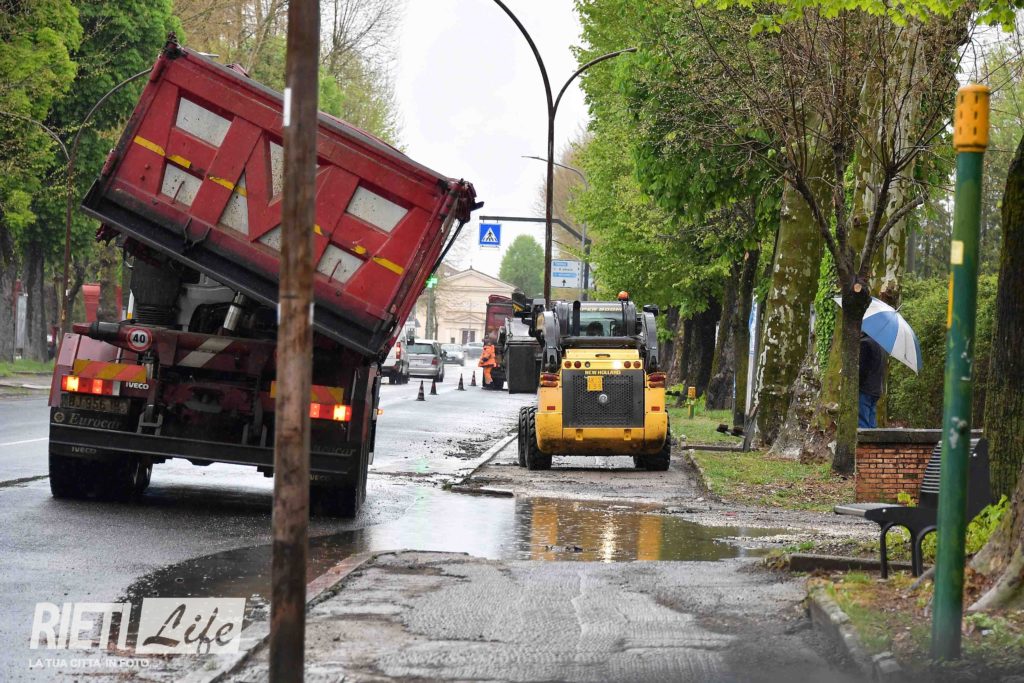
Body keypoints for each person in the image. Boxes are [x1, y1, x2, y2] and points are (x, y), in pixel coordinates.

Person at [859, 332, 886, 428]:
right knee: (872, 422)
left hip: (865, 388)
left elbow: (863, 369)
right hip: (876, 388)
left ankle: (864, 438)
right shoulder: (880, 345)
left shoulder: (865, 343)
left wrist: (857, 384)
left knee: (862, 421)